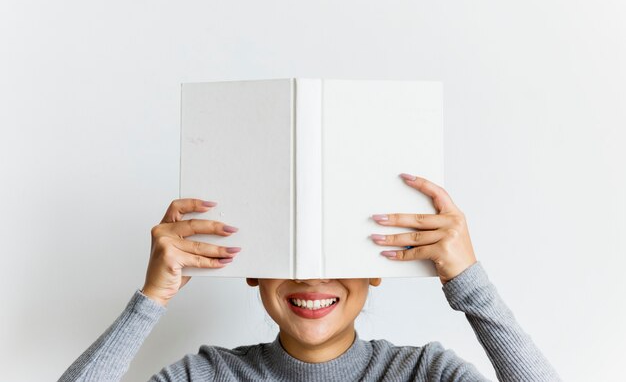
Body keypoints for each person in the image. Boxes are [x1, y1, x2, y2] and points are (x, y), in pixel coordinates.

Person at [59, 173, 560, 381]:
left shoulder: (422, 374)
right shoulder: (208, 376)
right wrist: (152, 297)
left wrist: (469, 281)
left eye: (334, 252)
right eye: (290, 253)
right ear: (253, 270)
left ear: (376, 270)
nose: (311, 276)